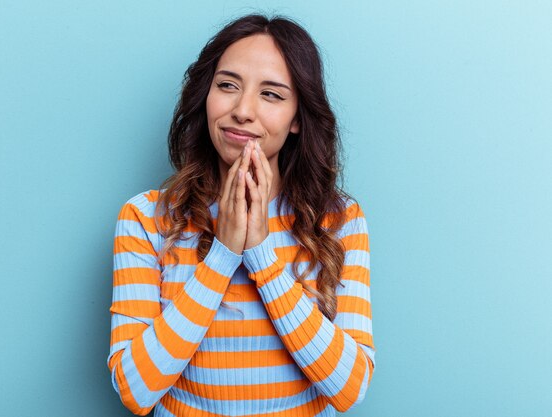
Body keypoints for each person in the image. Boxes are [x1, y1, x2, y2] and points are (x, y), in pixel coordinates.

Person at [107, 14, 375, 416]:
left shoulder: (339, 220)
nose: (243, 111)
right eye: (227, 86)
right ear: (205, 95)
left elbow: (350, 387)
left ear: (298, 117)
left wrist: (262, 253)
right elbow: (135, 389)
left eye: (271, 95)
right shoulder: (145, 218)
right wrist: (223, 254)